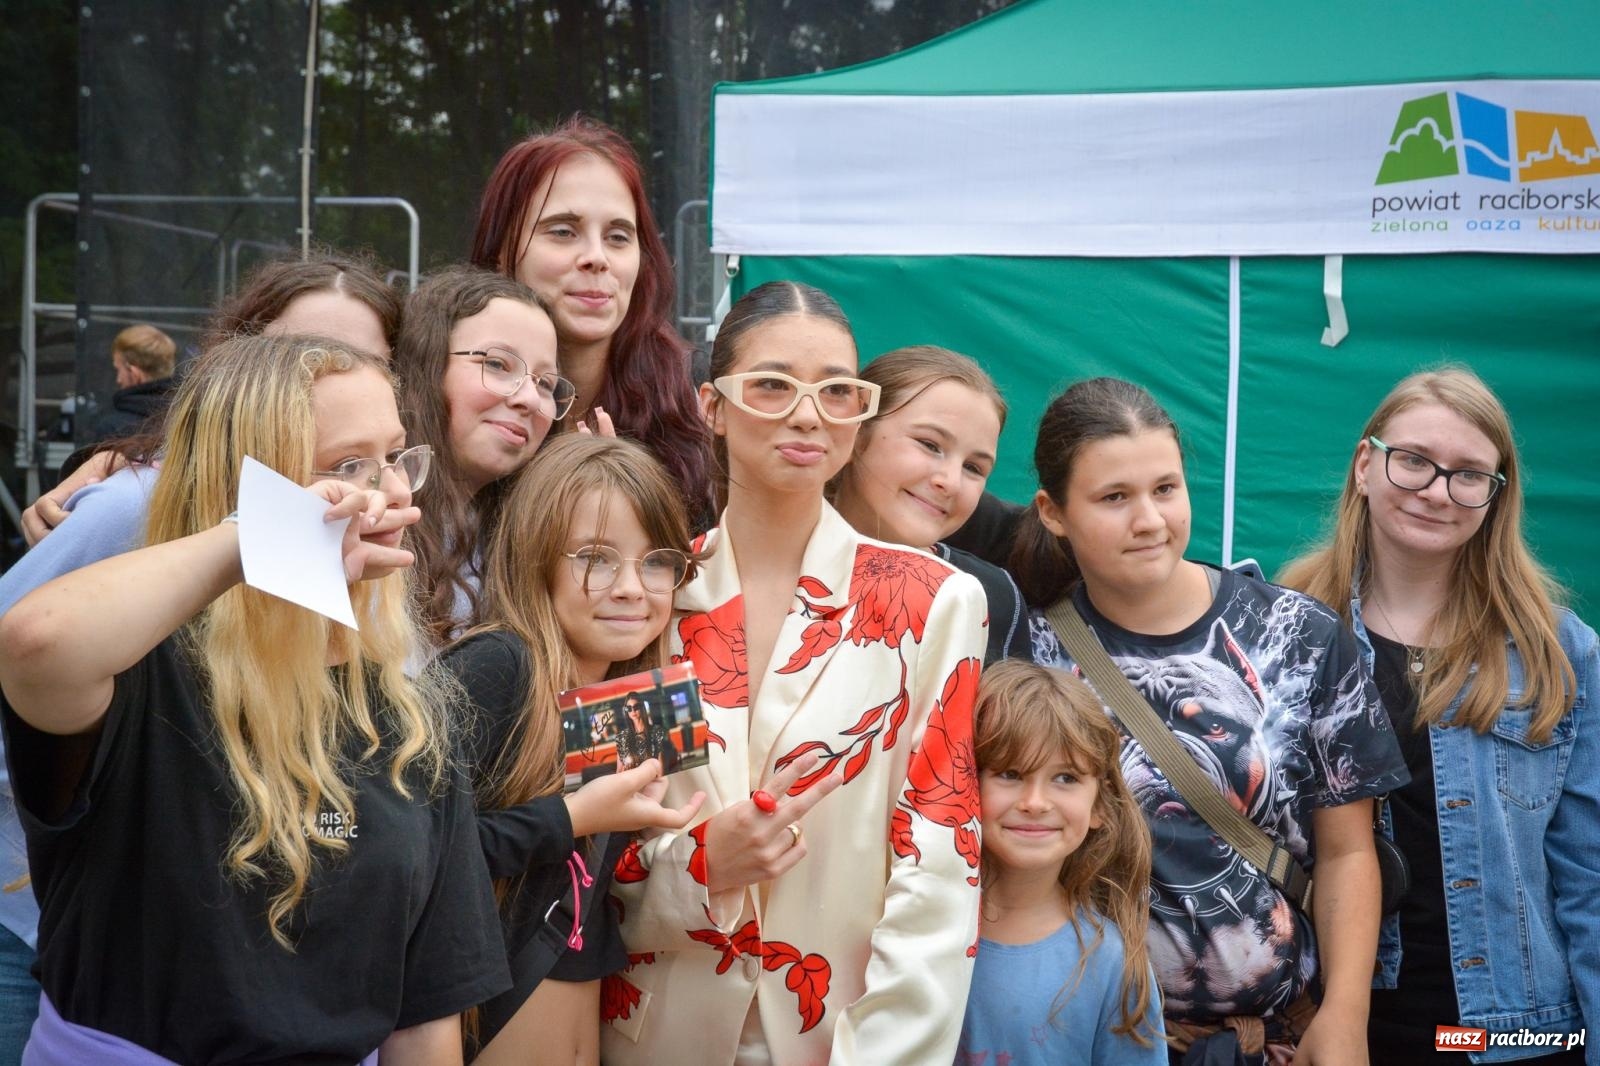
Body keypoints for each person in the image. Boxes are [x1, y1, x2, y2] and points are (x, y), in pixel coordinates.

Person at [0, 334, 506, 1064]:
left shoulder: (410, 717)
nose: (393, 492)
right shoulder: (141, 670)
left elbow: (424, 1016)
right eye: (347, 467)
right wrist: (253, 542)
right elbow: (35, 639)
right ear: (248, 496)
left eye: (396, 455)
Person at [600, 281, 989, 1065]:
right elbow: (597, 848)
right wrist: (699, 867)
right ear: (712, 405)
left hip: (840, 1037)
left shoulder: (936, 602)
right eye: (773, 385)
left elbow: (938, 864)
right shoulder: (646, 593)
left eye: (837, 391)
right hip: (657, 1035)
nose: (808, 415)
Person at [1013, 377, 1408, 1066]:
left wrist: (1347, 1014)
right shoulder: (1028, 652)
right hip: (1093, 1038)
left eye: (1165, 489)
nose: (1149, 520)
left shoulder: (1298, 636)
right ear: (1053, 511)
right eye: (1114, 497)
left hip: (1273, 1037)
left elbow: (1348, 850)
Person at [1279, 368, 1599, 1065]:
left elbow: (1589, 874)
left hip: (1518, 1033)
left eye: (1468, 474)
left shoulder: (1561, 651)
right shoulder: (1286, 628)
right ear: (1366, 464)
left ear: (1495, 497)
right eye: (1415, 460)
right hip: (1338, 1029)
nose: (1436, 490)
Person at [440, 433, 706, 1065]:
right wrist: (571, 819)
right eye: (596, 558)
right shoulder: (496, 667)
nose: (632, 589)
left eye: (656, 561)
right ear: (537, 558)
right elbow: (409, 857)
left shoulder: (634, 693)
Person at [469, 116, 713, 520]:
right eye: (563, 231)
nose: (597, 258)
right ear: (501, 254)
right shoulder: (451, 392)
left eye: (618, 237)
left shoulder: (693, 398)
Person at [959, 659, 1164, 1066]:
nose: (1034, 803)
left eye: (1066, 778)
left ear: (1100, 805)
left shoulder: (1111, 964)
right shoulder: (912, 926)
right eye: (1010, 773)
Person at [394, 266, 568, 647]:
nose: (527, 399)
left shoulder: (520, 545)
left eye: (546, 384)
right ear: (428, 363)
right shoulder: (367, 521)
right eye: (497, 364)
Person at [830, 344, 1029, 663]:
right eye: (929, 445)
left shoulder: (993, 599)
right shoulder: (762, 561)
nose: (950, 481)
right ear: (857, 428)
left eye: (973, 468)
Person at [92, 324, 179, 442]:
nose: (118, 380)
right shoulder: (185, 419)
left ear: (134, 373)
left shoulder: (113, 429)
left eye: (118, 370)